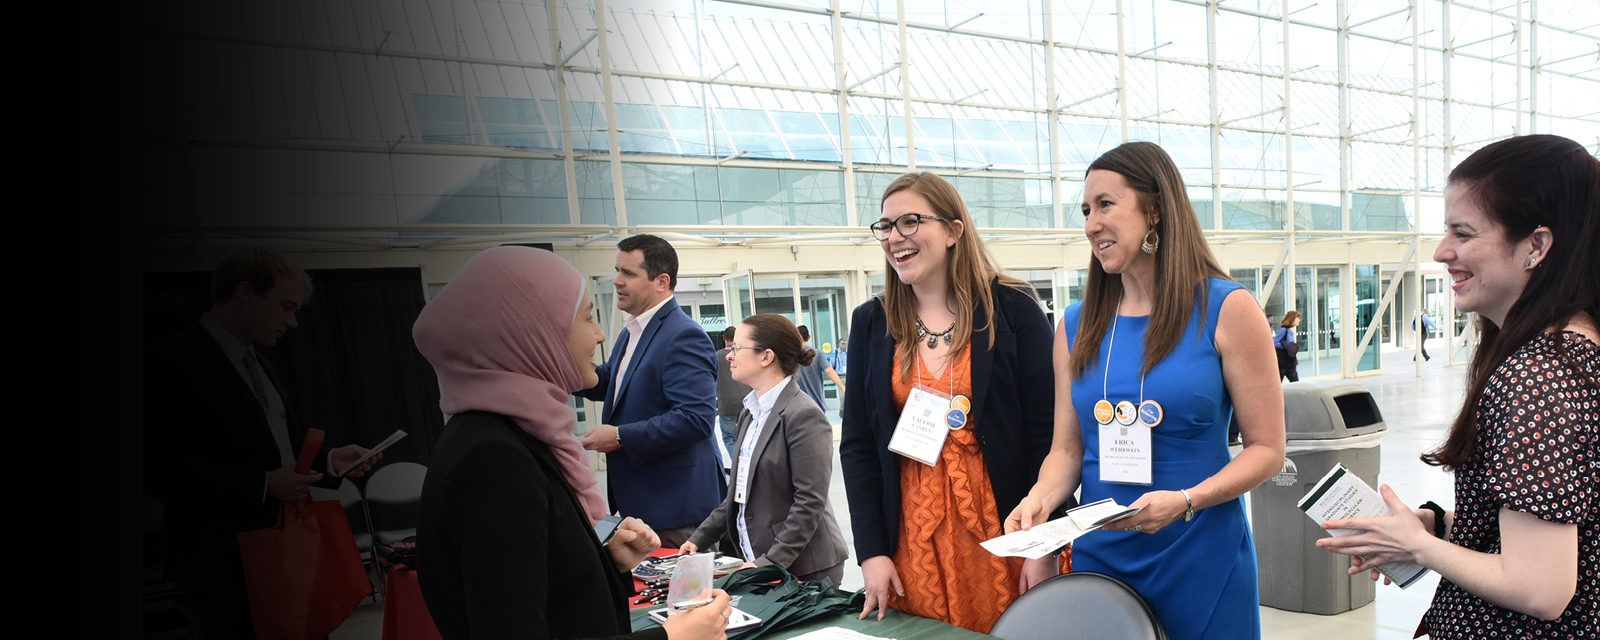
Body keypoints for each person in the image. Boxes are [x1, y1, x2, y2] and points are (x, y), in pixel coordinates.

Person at [1316, 134, 1597, 639]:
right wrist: (1439, 525)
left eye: (1462, 233)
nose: (1442, 251)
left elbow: (1540, 588)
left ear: (1536, 246)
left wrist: (1417, 548)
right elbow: (1568, 529)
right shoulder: (1579, 354)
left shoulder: (1536, 378)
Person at [1007, 141, 1287, 640]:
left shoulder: (1227, 309)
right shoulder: (1075, 325)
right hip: (1102, 560)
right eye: (1086, 211)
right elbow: (1067, 450)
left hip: (1200, 552)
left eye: (1106, 205)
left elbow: (1267, 449)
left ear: (1155, 209)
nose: (1091, 224)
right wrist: (1039, 501)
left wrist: (1187, 500)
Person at [413, 246, 732, 640]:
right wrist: (671, 638)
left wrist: (606, 562)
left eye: (628, 273)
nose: (599, 335)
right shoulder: (492, 459)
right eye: (586, 318)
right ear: (534, 336)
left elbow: (544, 587)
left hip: (672, 501)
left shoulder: (493, 438)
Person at [841, 172, 1058, 633]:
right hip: (912, 539)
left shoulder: (1012, 307)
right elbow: (858, 446)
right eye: (885, 226)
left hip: (1007, 530)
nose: (894, 237)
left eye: (910, 221)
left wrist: (1044, 545)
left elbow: (1049, 436)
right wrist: (872, 552)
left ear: (954, 231)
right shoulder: (872, 322)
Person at [144, 247, 378, 639]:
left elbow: (277, 452)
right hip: (228, 567)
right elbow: (156, 468)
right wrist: (264, 484)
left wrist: (330, 460)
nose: (293, 322)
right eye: (286, 307)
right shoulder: (170, 361)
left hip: (291, 551)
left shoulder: (262, 364)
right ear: (246, 292)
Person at [573, 234, 722, 548]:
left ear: (662, 282)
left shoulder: (684, 335)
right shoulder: (633, 330)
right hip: (647, 504)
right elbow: (612, 382)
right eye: (617, 271)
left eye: (628, 273)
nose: (617, 281)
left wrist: (619, 436)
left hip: (676, 511)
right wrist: (564, 370)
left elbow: (695, 419)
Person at [679, 314, 851, 586]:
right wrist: (700, 539)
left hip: (804, 569)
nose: (729, 355)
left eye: (737, 348)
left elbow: (809, 502)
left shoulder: (803, 415)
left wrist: (769, 564)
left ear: (766, 356)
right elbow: (738, 493)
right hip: (762, 563)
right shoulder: (750, 411)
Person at [715, 326, 751, 471]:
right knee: (747, 436)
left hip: (727, 404)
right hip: (745, 401)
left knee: (730, 438)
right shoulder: (744, 354)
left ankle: (739, 467)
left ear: (724, 338)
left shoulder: (717, 357)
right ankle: (747, 465)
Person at [795, 325, 846, 414]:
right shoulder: (818, 354)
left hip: (798, 404)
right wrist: (843, 387)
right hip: (816, 403)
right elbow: (829, 371)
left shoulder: (793, 356)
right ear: (809, 337)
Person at [1275, 310, 1302, 382]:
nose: (1299, 320)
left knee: (1295, 382)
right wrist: (1285, 346)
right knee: (1279, 382)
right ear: (1292, 319)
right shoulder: (1284, 330)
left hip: (1290, 362)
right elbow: (1275, 342)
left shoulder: (1290, 331)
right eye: (1297, 318)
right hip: (1283, 362)